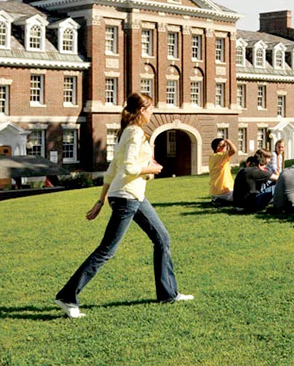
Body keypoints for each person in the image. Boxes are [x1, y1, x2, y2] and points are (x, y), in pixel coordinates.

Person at [54, 93, 192, 319]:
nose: (152, 113)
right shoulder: (135, 132)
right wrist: (152, 169)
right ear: (141, 111)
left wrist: (100, 200)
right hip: (127, 197)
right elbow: (127, 168)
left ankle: (168, 293)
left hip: (131, 196)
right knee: (107, 250)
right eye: (150, 109)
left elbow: (112, 170)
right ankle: (67, 296)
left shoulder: (125, 133)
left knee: (162, 238)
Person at [208, 137, 237, 206]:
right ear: (218, 148)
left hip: (217, 190)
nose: (226, 147)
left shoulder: (213, 157)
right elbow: (234, 151)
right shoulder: (219, 156)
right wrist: (229, 141)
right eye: (224, 145)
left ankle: (219, 200)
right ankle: (221, 200)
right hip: (223, 190)